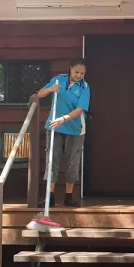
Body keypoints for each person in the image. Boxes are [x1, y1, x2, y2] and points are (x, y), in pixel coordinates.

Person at [37, 58, 90, 207]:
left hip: (75, 129)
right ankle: (50, 197)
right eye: (76, 72)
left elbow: (80, 109)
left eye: (82, 73)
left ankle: (68, 196)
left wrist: (64, 119)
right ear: (70, 68)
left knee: (73, 161)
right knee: (52, 159)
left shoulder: (84, 87)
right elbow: (40, 94)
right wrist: (49, 89)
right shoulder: (58, 80)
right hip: (54, 126)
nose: (79, 75)